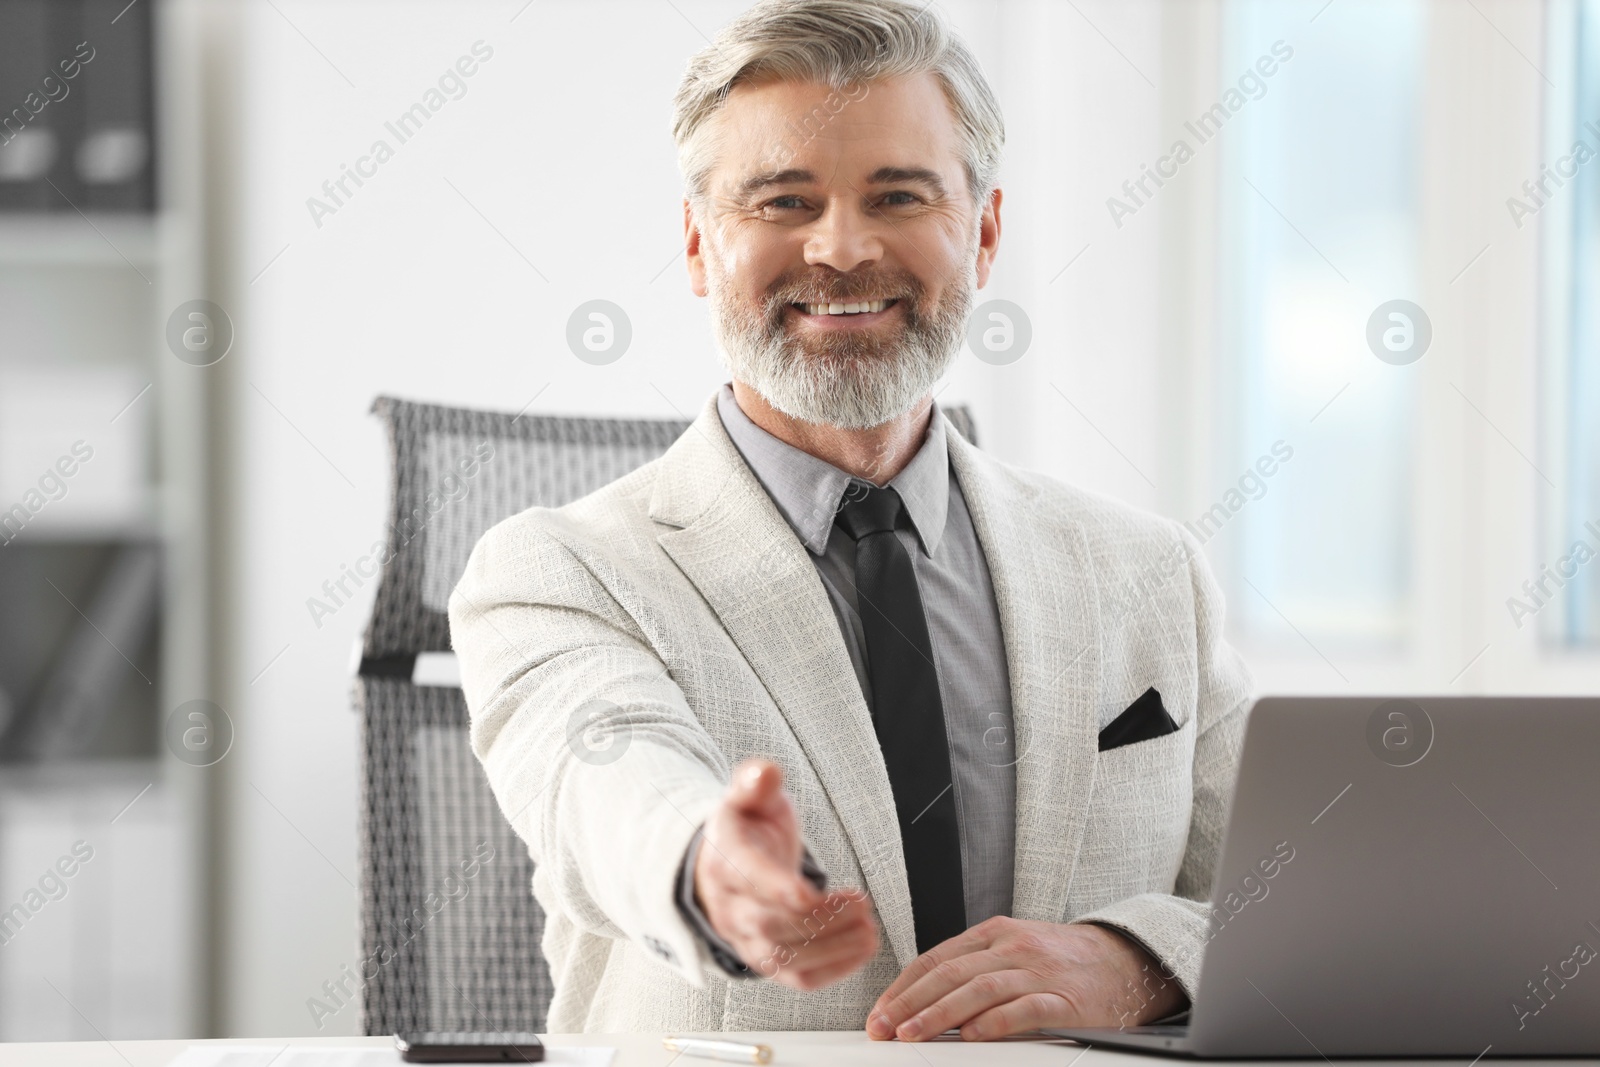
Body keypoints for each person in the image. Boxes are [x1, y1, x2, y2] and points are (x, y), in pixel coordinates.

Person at [449, 0, 1253, 1039]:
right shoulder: (559, 570)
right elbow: (603, 772)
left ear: (985, 231)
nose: (838, 248)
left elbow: (1298, 892)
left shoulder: (1148, 569)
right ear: (699, 246)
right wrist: (710, 866)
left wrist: (1140, 964)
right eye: (782, 201)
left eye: (898, 195)